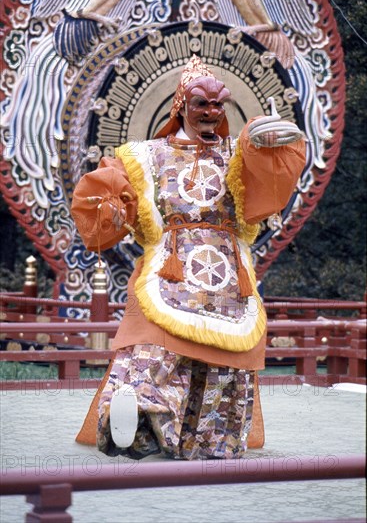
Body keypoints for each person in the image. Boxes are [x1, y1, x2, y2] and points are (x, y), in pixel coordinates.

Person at [71, 55, 305, 460]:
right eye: (203, 104)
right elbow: (111, 193)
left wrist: (271, 151)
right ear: (182, 106)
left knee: (222, 364)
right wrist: (110, 206)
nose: (213, 112)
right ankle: (138, 421)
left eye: (219, 105)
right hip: (169, 270)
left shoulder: (239, 151)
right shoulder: (144, 155)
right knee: (150, 351)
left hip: (227, 275)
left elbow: (267, 188)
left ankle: (205, 440)